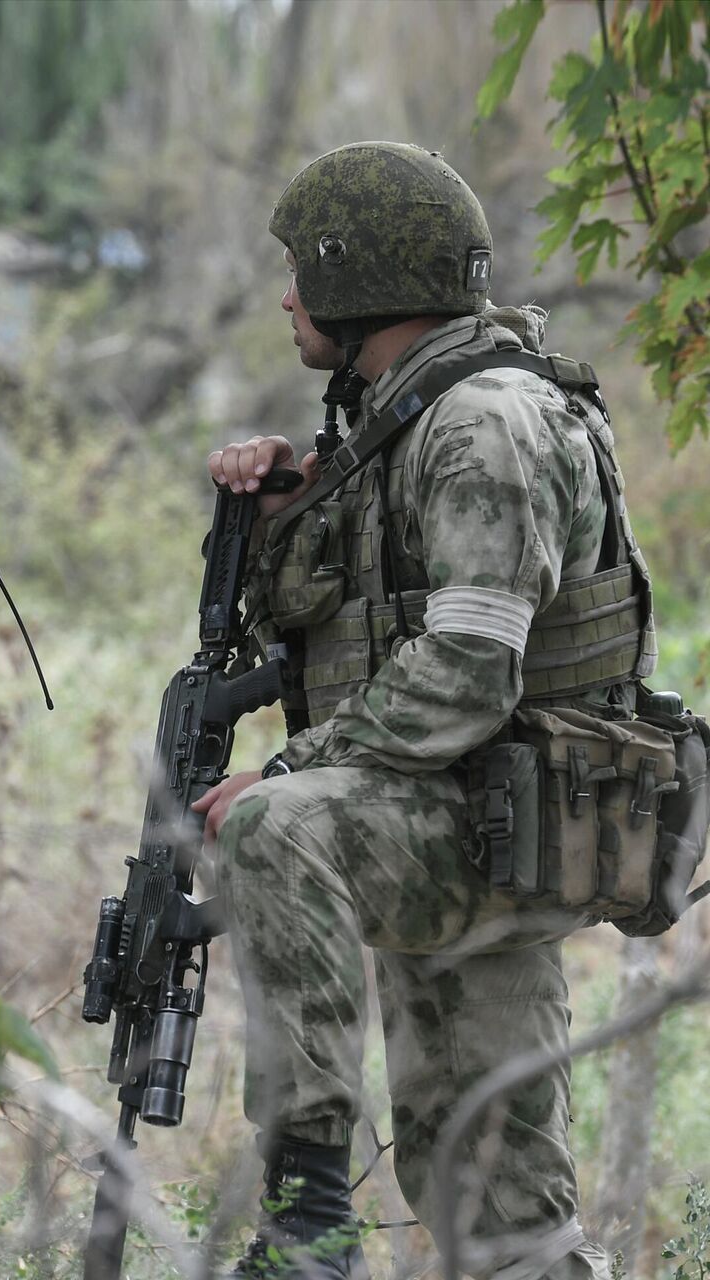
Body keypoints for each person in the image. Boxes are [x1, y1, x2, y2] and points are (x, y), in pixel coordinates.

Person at [192, 143, 657, 1279]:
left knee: (275, 822)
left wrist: (295, 767)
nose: (286, 295)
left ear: (356, 281)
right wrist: (291, 513)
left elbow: (465, 666)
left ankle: (305, 1219)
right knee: (484, 1190)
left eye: (303, 269)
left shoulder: (480, 420)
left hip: (486, 817)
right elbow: (348, 626)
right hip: (454, 808)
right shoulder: (408, 416)